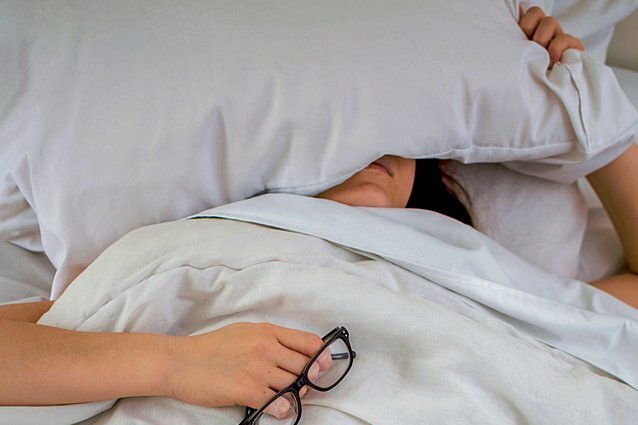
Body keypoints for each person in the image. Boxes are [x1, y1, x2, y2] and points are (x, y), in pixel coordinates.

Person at [1, 5, 635, 416]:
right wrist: (178, 365)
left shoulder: (468, 267)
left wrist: (579, 93)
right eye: (340, 137)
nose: (371, 149)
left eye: (395, 135)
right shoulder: (204, 249)